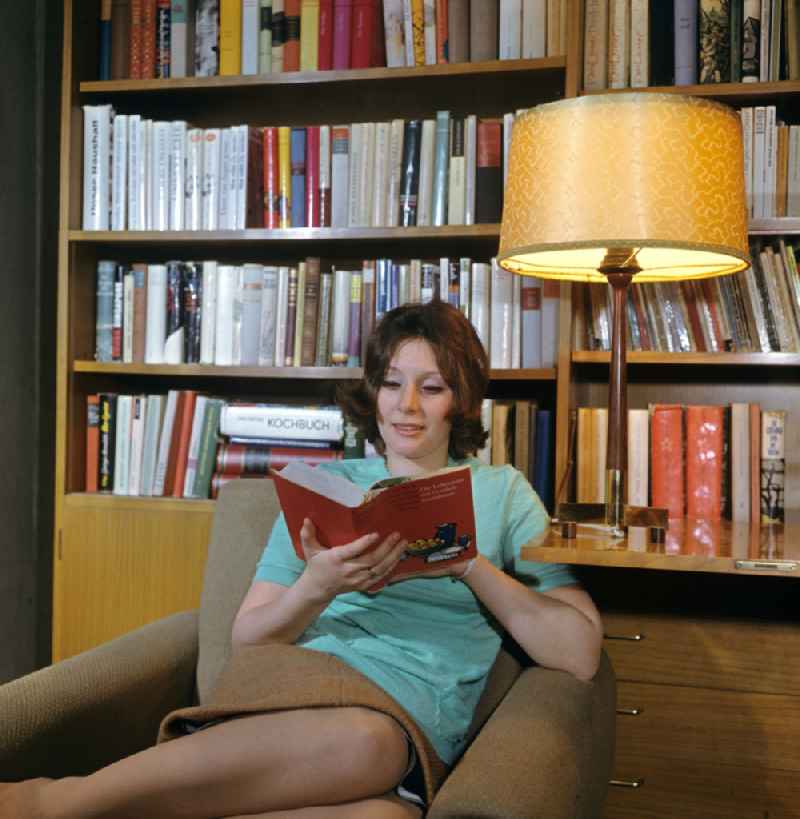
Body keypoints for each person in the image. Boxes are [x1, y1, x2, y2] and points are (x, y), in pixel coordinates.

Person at [0, 300, 603, 819]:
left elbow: (576, 653)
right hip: (305, 696)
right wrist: (317, 585)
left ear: (461, 400)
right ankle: (58, 803)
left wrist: (470, 564)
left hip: (415, 723)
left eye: (433, 386)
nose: (407, 405)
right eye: (392, 383)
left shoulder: (503, 492)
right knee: (366, 742)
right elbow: (249, 638)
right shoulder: (326, 488)